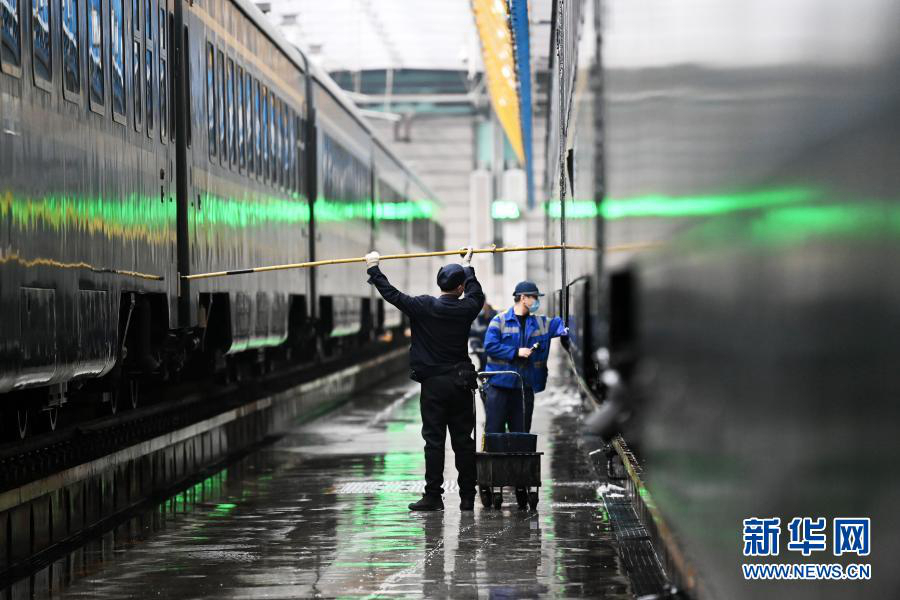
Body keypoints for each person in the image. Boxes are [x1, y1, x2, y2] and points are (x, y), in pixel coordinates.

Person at [365, 247, 484, 512]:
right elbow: (477, 294)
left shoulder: (423, 306)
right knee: (463, 441)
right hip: (461, 384)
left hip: (433, 386)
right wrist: (468, 267)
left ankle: (433, 496)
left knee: (434, 441)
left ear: (439, 284)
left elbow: (392, 295)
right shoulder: (466, 308)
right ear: (461, 287)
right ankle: (466, 497)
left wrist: (374, 269)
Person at [483, 281, 568, 435]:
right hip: (499, 387)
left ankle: (519, 460)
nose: (537, 301)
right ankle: (496, 460)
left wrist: (566, 328)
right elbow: (490, 346)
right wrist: (516, 352)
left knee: (522, 434)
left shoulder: (541, 323)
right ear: (523, 298)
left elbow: (561, 325)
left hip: (524, 387)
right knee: (494, 433)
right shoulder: (499, 321)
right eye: (534, 297)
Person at [468, 302, 497, 371]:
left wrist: (488, 314)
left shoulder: (493, 314)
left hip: (491, 344)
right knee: (483, 359)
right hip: (479, 345)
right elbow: (472, 334)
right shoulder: (473, 315)